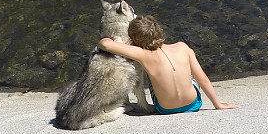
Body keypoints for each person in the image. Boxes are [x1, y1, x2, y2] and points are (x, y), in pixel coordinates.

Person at [98, 14, 236, 114]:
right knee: (192, 75)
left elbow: (105, 44)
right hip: (193, 104)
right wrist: (217, 104)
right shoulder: (183, 47)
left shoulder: (141, 54)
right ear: (160, 31)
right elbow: (203, 79)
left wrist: (108, 34)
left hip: (165, 108)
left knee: (152, 74)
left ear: (135, 40)